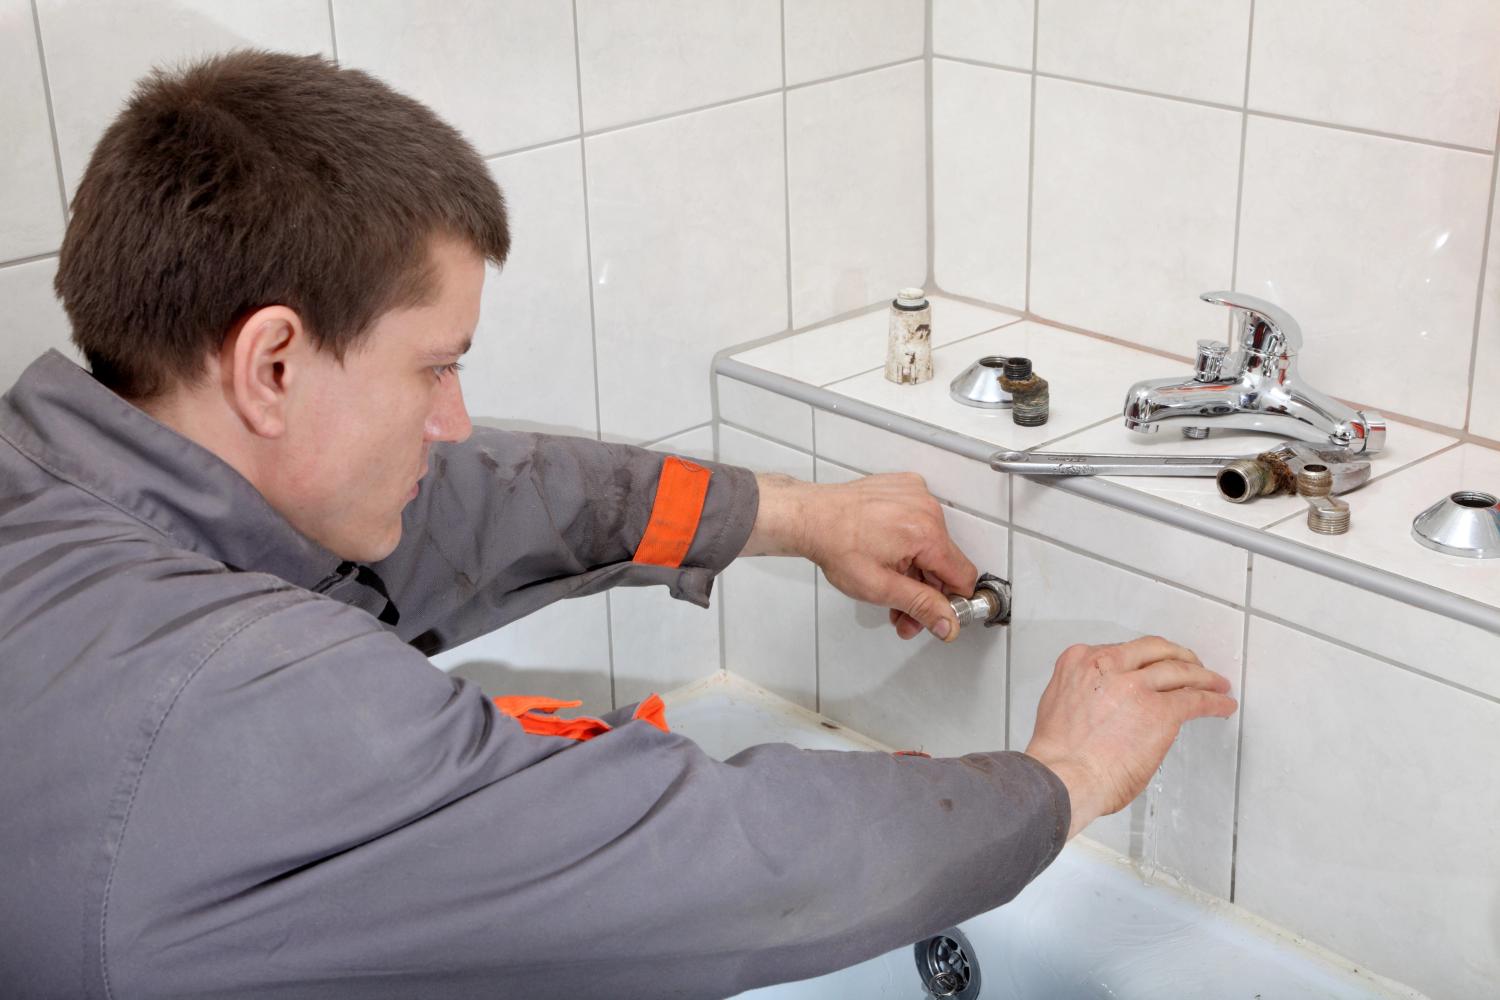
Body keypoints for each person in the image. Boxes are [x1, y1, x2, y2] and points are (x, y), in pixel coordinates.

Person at [0, 51, 1236, 999]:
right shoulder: (229, 694)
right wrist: (1062, 776)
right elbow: (719, 863)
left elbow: (464, 506)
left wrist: (794, 517)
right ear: (270, 361)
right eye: (434, 369)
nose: (453, 418)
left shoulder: (62, 501)